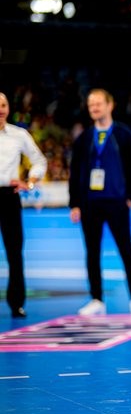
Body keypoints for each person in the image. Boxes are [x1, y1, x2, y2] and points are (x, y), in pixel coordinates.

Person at [69, 89, 131, 315]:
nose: (94, 108)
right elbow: (75, 172)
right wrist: (75, 203)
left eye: (98, 103)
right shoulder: (84, 138)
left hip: (117, 202)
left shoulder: (124, 135)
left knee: (126, 249)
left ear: (110, 105)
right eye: (91, 104)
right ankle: (96, 299)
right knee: (92, 252)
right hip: (90, 203)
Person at [0, 92, 47, 319]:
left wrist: (30, 181)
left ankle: (16, 303)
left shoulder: (19, 135)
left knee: (15, 252)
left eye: (3, 105)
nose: (0, 109)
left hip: (9, 196)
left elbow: (39, 161)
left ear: (8, 108)